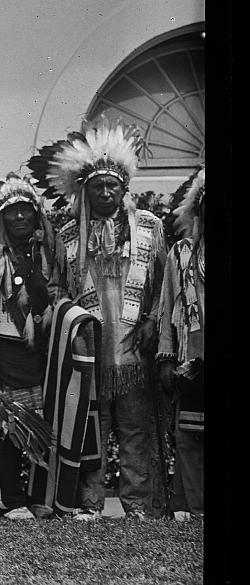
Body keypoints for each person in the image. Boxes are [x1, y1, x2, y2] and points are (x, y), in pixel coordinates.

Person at [29, 114, 166, 520]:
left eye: (112, 185)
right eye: (97, 186)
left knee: (135, 429)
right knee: (92, 428)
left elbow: (164, 285)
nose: (105, 193)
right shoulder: (69, 235)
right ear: (84, 191)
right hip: (89, 350)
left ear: (124, 188)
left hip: (133, 350)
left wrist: (150, 320)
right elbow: (57, 288)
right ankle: (89, 503)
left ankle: (137, 505)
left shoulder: (149, 228)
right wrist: (72, 325)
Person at [0, 174, 58, 520]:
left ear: (36, 214)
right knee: (7, 430)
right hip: (6, 357)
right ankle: (7, 500)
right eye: (12, 211)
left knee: (44, 430)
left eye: (26, 209)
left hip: (44, 356)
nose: (20, 216)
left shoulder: (50, 256)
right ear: (2, 219)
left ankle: (38, 496)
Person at [157, 164, 205, 521]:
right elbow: (166, 310)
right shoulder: (181, 254)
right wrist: (166, 359)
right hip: (195, 362)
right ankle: (197, 508)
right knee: (190, 437)